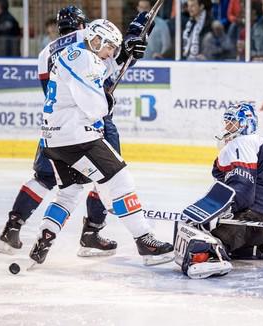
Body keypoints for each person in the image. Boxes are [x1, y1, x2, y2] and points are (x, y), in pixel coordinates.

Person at [26, 17, 173, 266]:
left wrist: (126, 53)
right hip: (78, 138)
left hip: (55, 141)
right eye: (110, 47)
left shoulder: (76, 54)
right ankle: (144, 239)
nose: (110, 53)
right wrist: (106, 99)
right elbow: (96, 108)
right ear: (97, 40)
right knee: (120, 180)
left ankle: (44, 238)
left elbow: (103, 70)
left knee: (68, 193)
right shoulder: (84, 58)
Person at [0, 6, 122, 258]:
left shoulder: (45, 53)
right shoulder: (88, 40)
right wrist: (132, 43)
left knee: (43, 177)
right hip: (88, 124)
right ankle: (92, 234)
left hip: (55, 126)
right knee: (107, 176)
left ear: (58, 27)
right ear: (82, 26)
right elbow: (104, 73)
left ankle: (12, 228)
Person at [175, 103, 263, 278]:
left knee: (200, 234)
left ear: (246, 124)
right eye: (227, 122)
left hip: (248, 221)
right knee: (238, 244)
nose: (227, 127)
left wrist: (219, 213)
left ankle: (209, 258)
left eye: (232, 123)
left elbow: (243, 191)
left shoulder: (241, 143)